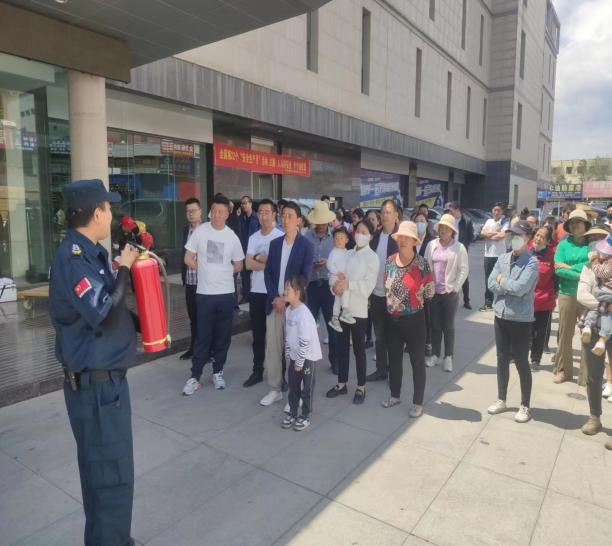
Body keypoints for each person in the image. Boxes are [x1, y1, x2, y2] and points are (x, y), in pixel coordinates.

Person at [49, 179, 140, 546]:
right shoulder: (73, 257)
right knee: (111, 477)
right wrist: (125, 269)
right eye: (108, 207)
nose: (112, 214)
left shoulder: (88, 252)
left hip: (103, 386)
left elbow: (109, 308)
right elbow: (102, 309)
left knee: (104, 478)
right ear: (96, 213)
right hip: (97, 389)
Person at [182, 194, 245, 395]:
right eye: (214, 211)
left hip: (226, 294)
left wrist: (224, 272)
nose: (217, 215)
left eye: (221, 212)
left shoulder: (231, 236)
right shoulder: (200, 231)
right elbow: (188, 258)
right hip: (205, 294)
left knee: (222, 336)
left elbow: (239, 264)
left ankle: (218, 371)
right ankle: (195, 376)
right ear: (210, 212)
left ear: (227, 214)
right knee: (203, 336)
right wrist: (203, 269)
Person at [260, 202, 314, 406]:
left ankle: (296, 393)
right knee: (273, 348)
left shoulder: (306, 246)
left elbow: (305, 276)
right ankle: (275, 388)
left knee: (294, 351)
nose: (285, 219)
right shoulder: (275, 244)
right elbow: (268, 274)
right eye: (283, 215)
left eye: (290, 216)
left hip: (294, 307)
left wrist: (287, 298)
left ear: (299, 220)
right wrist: (276, 297)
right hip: (275, 304)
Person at [486, 221, 539, 423]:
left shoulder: (532, 263)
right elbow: (490, 283)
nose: (514, 239)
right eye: (513, 235)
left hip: (520, 319)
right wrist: (504, 284)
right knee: (501, 359)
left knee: (521, 361)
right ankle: (502, 399)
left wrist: (502, 281)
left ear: (528, 239)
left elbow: (520, 288)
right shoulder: (503, 258)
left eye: (519, 235)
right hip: (501, 315)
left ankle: (525, 405)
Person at [382, 221, 434, 417]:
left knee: (417, 362)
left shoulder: (422, 264)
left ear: (414, 241)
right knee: (394, 359)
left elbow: (429, 293)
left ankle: (418, 402)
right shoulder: (390, 261)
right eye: (400, 236)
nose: (402, 240)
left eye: (407, 237)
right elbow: (385, 287)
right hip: (393, 320)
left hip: (414, 321)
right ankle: (395, 395)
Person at [326, 220, 379, 403]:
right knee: (342, 348)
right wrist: (334, 286)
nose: (360, 235)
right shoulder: (348, 253)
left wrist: (348, 285)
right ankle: (342, 383)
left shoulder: (372, 257)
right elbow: (334, 274)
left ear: (370, 236)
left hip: (358, 311)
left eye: (364, 232)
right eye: (358, 231)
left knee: (358, 350)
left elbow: (368, 286)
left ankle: (361, 386)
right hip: (342, 307)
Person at [243, 199, 283, 387]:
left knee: (277, 338)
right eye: (260, 212)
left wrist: (259, 259)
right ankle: (257, 371)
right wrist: (265, 261)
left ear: (274, 214)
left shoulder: (280, 236)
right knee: (258, 336)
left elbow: (278, 267)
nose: (263, 216)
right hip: (256, 292)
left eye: (267, 212)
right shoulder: (253, 238)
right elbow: (248, 264)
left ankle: (281, 374)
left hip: (274, 292)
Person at [424, 214, 469, 372]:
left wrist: (455, 287)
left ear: (452, 231)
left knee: (448, 326)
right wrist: (427, 286)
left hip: (449, 293)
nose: (443, 231)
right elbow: (425, 265)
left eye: (446, 228)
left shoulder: (459, 247)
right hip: (433, 292)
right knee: (435, 325)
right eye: (441, 228)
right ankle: (436, 355)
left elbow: (464, 270)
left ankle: (448, 357)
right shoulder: (431, 245)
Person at [577, 247, 612, 450]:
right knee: (594, 376)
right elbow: (582, 295)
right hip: (593, 329)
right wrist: (606, 304)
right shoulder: (589, 267)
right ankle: (594, 417)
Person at [553, 209, 591, 384]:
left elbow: (592, 266)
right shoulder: (563, 244)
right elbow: (558, 269)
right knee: (565, 335)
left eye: (578, 222)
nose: (575, 225)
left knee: (587, 335)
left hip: (587, 295)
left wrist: (569, 268)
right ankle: (563, 370)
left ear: (585, 225)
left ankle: (586, 376)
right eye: (572, 222)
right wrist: (581, 272)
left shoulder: (592, 244)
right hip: (566, 294)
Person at [281, 275, 323, 431]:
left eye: (288, 289)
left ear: (297, 292)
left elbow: (305, 340)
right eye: (285, 288)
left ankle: (305, 415)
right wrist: (288, 352)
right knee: (293, 387)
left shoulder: (304, 314)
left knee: (307, 388)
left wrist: (299, 362)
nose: (284, 291)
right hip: (295, 356)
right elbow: (289, 334)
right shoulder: (289, 310)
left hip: (307, 358)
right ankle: (293, 413)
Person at [368, 199, 400, 381]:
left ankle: (395, 373)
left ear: (396, 215)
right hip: (376, 294)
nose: (385, 215)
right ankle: (381, 369)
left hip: (394, 296)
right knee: (379, 336)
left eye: (388, 212)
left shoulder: (401, 237)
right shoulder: (375, 237)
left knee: (394, 337)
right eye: (383, 212)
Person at [304, 201, 338, 373]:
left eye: (324, 222)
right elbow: (303, 259)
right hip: (311, 285)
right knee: (309, 326)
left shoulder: (335, 238)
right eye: (319, 222)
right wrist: (312, 265)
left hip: (329, 286)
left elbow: (341, 261)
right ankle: (308, 362)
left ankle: (335, 361)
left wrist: (328, 263)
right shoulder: (306, 237)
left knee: (333, 326)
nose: (321, 225)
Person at [528, 226, 557, 370]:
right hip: (526, 299)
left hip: (544, 300)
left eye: (542, 237)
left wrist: (555, 294)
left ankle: (535, 359)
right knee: (525, 331)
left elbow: (556, 277)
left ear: (548, 241)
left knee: (539, 333)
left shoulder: (552, 256)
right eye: (537, 235)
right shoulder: (527, 251)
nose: (538, 238)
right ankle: (517, 355)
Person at [180, 198, 203, 361]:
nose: (190, 214)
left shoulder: (207, 230)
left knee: (205, 318)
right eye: (188, 211)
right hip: (190, 282)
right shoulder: (185, 230)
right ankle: (193, 348)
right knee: (193, 317)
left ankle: (206, 350)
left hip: (204, 283)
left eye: (193, 211)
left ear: (200, 211)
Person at [581, 236, 612, 355]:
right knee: (605, 312)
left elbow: (602, 272)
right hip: (605, 294)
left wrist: (594, 261)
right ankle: (602, 339)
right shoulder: (605, 261)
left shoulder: (608, 262)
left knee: (600, 309)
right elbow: (582, 295)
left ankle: (588, 326)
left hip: (604, 291)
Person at [480, 202, 508, 311]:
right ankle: (488, 303)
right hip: (488, 255)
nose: (496, 212)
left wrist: (489, 234)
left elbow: (502, 235)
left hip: (500, 256)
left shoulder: (505, 222)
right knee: (488, 279)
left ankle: (502, 303)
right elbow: (482, 233)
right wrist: (495, 233)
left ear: (502, 212)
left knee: (501, 279)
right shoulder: (488, 221)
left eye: (498, 210)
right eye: (494, 210)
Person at [448, 202, 474, 309]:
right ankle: (449, 298)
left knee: (464, 276)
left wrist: (464, 246)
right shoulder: (450, 220)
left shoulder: (467, 221)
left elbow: (471, 237)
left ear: (457, 210)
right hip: (450, 250)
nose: (450, 213)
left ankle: (466, 301)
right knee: (450, 274)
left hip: (462, 252)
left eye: (451, 211)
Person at [327, 226, 354, 331]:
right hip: (335, 278)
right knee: (344, 289)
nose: (339, 241)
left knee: (338, 298)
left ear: (347, 240)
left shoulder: (347, 252)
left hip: (341, 278)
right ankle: (345, 310)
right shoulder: (334, 252)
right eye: (336, 238)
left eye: (341, 238)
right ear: (333, 240)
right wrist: (337, 273)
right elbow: (329, 265)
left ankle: (335, 317)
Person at [238, 195, 260, 304]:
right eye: (242, 203)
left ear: (250, 204)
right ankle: (246, 297)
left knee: (256, 274)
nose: (244, 205)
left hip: (255, 251)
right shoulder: (241, 218)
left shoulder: (257, 217)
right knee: (245, 275)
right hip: (244, 249)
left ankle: (256, 296)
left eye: (246, 203)